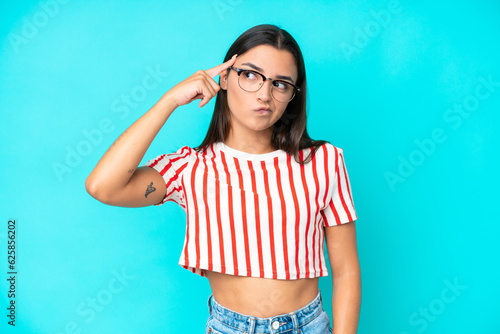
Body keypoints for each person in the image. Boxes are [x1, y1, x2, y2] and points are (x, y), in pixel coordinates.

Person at [86, 24, 361, 334]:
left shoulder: (323, 161)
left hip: (307, 326)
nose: (264, 95)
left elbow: (346, 271)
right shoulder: (190, 168)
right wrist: (170, 101)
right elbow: (103, 186)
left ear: (292, 95)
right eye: (251, 75)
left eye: (281, 84)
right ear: (226, 77)